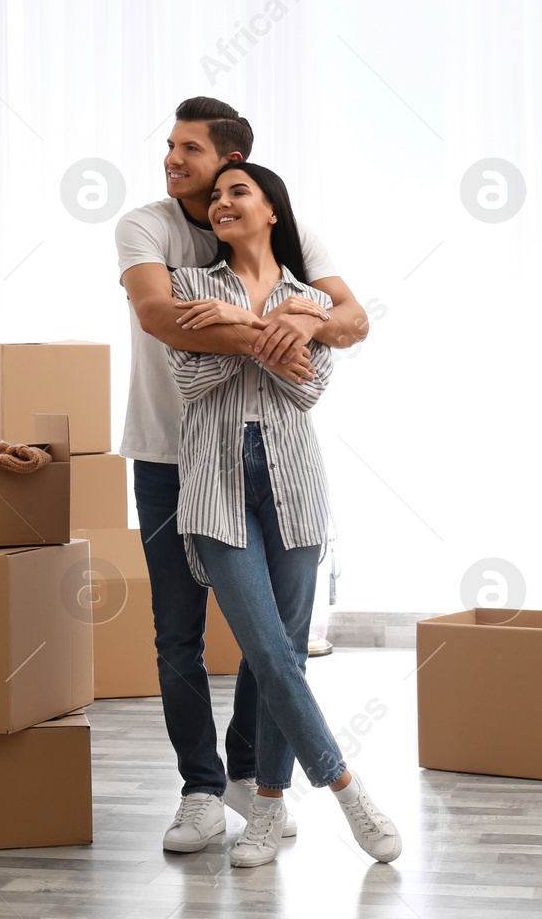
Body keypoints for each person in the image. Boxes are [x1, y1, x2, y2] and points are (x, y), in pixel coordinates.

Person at [114, 97, 369, 853]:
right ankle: (198, 790)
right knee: (175, 635)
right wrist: (275, 327)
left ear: (232, 163)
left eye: (189, 148)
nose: (172, 160)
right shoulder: (146, 226)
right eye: (169, 145)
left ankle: (254, 776)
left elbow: (352, 320)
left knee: (270, 636)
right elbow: (162, 317)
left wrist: (310, 317)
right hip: (168, 453)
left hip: (262, 455)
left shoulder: (277, 222)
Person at [166, 161, 401, 868]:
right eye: (215, 197)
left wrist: (240, 325)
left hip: (295, 486)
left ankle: (267, 809)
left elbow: (306, 387)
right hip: (213, 485)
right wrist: (272, 331)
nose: (222, 202)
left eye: (238, 191)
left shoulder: (312, 299)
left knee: (286, 656)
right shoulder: (190, 286)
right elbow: (190, 374)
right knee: (266, 651)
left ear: (273, 209)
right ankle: (348, 790)